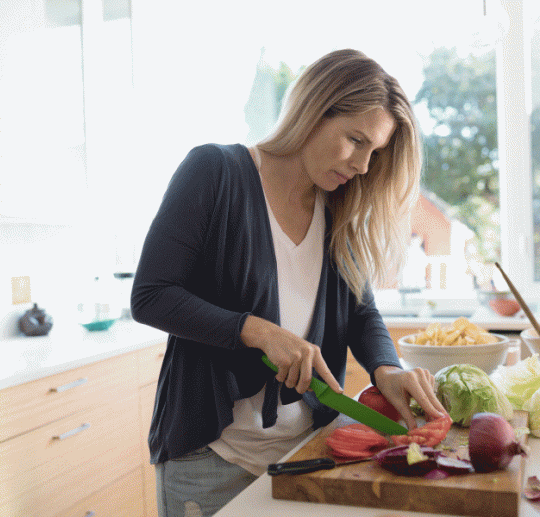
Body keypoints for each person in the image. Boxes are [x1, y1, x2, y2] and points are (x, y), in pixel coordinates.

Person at [131, 48, 448, 517]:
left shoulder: (340, 208)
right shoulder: (215, 173)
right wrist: (258, 331)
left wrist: (387, 368)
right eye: (355, 140)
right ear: (314, 110)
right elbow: (151, 296)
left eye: (374, 152)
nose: (363, 165)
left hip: (305, 455)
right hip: (210, 462)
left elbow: (362, 313)